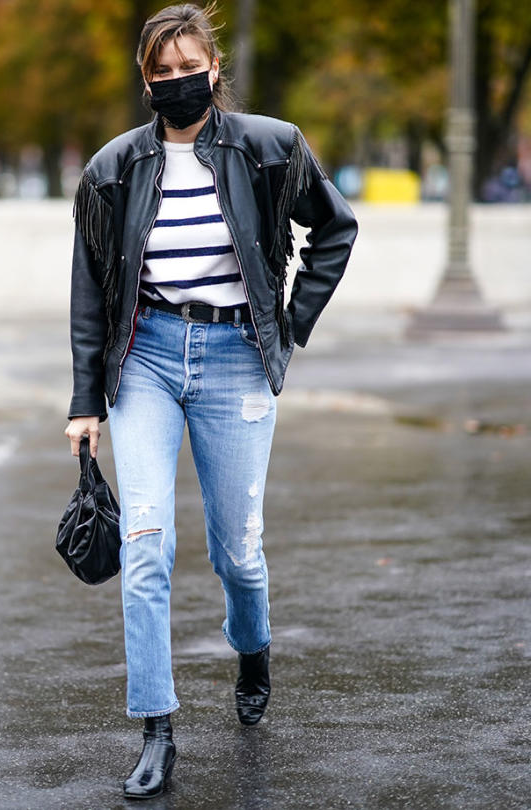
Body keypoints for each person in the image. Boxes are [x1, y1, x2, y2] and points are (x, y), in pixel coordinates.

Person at [64, 2, 358, 799]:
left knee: (239, 553)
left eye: (188, 68)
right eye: (160, 73)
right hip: (148, 361)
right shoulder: (114, 168)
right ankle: (156, 728)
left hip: (235, 361)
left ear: (214, 70)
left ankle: (252, 648)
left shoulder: (269, 145)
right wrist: (84, 399)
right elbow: (92, 285)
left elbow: (335, 228)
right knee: (148, 544)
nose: (176, 83)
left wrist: (289, 324)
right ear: (146, 81)